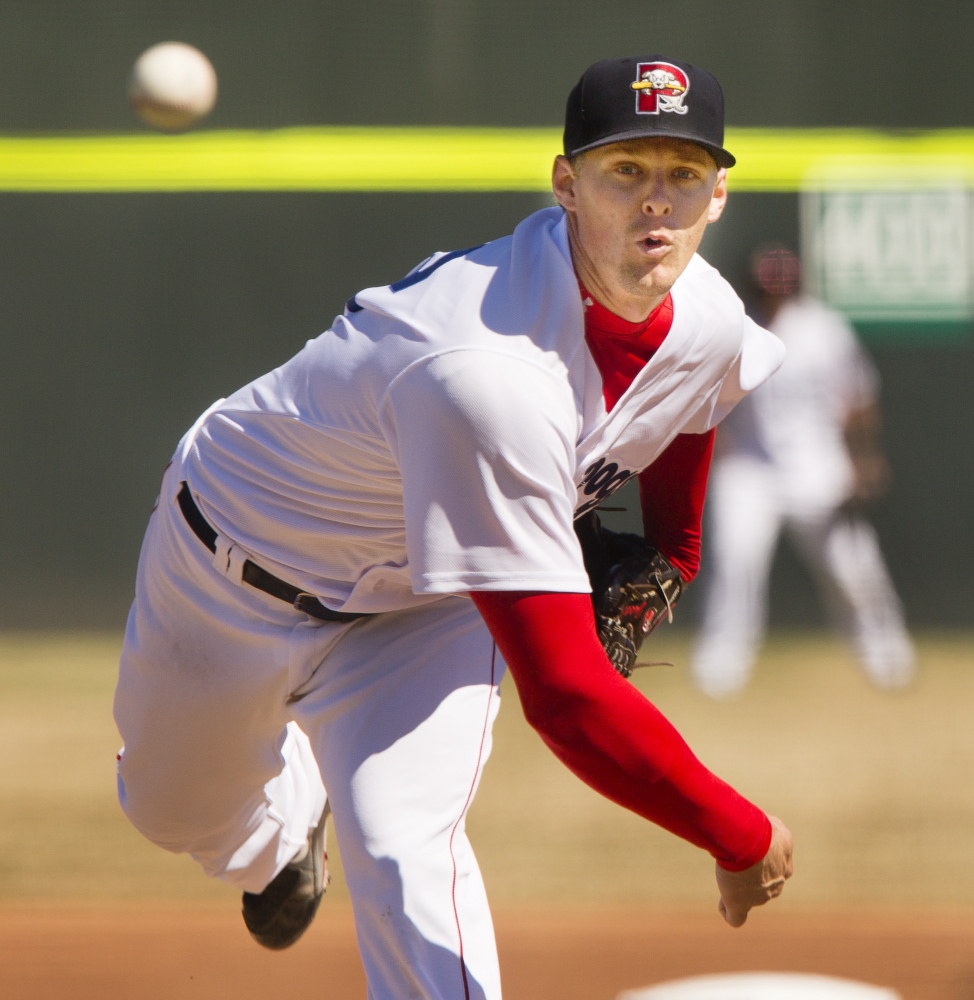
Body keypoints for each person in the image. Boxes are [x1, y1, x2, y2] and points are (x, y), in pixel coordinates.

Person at [114, 56, 793, 1000]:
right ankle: (276, 835)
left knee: (406, 850)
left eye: (682, 174)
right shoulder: (486, 372)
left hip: (425, 598)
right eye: (625, 171)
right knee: (166, 807)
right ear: (566, 183)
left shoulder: (705, 314)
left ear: (718, 194)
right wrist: (738, 832)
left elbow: (689, 396)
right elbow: (565, 697)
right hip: (232, 563)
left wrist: (671, 557)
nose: (656, 204)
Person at [691, 247, 915, 699]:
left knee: (852, 565)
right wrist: (722, 448)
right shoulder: (735, 325)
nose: (774, 295)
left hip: (818, 464)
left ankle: (886, 653)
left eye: (781, 286)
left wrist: (863, 457)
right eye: (765, 288)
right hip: (751, 467)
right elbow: (704, 397)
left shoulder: (824, 329)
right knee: (736, 561)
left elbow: (857, 398)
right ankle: (723, 664)